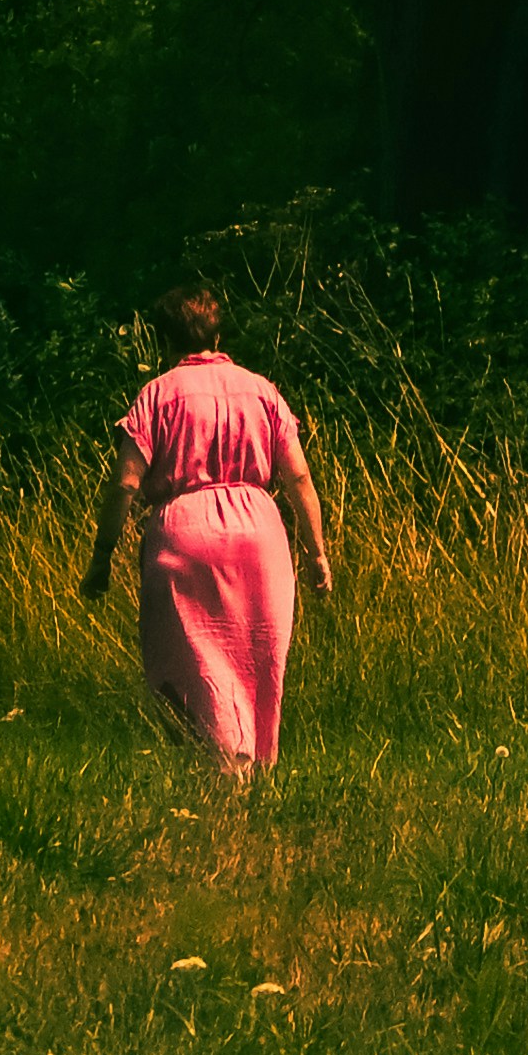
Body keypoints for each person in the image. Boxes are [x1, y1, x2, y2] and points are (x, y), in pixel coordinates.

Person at [82, 285, 333, 767]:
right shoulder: (262, 390)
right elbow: (298, 475)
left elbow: (124, 485)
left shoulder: (156, 395)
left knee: (193, 664)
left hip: (184, 535)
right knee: (257, 658)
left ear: (163, 338)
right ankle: (248, 770)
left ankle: (217, 775)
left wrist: (103, 556)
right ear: (218, 331)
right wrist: (316, 551)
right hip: (260, 537)